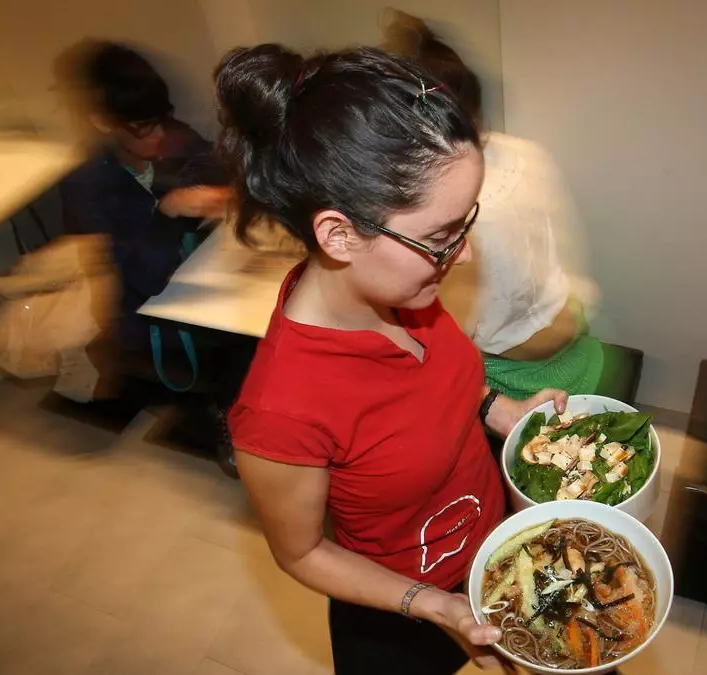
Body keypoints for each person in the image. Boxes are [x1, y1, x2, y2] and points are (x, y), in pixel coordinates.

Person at [219, 44, 566, 674]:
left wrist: (500, 410)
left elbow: (431, 387)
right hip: (400, 611)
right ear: (338, 235)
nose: (462, 255)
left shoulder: (403, 288)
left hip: (494, 550)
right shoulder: (279, 412)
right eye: (440, 237)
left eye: (465, 225)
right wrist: (434, 606)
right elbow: (301, 553)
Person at [383, 13, 638, 404]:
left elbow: (447, 337)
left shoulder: (449, 209)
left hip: (526, 375)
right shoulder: (526, 153)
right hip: (575, 329)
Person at [54, 39, 233, 355]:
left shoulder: (168, 136)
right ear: (103, 122)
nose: (160, 134)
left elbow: (215, 165)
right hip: (152, 328)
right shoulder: (87, 185)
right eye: (144, 127)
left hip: (197, 291)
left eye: (162, 120)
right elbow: (139, 282)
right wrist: (168, 213)